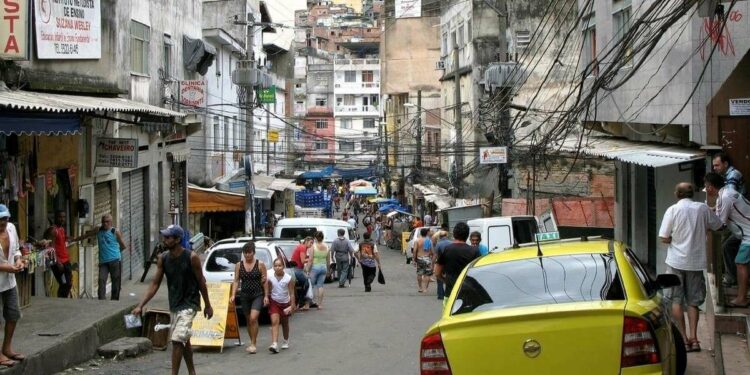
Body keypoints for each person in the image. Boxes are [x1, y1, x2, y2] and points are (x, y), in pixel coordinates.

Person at [132, 224, 213, 375]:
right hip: (175, 304)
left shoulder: (192, 257)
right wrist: (140, 305)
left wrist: (208, 305)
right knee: (184, 339)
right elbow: (155, 284)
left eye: (168, 237)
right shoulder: (163, 258)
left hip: (190, 303)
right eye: (165, 236)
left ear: (177, 239)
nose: (165, 239)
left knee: (177, 340)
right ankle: (192, 371)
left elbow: (201, 281)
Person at [658, 182, 723, 353]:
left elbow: (664, 238)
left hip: (675, 262)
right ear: (692, 193)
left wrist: (675, 240)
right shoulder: (702, 208)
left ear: (677, 194)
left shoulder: (672, 210)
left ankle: (684, 340)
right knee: (694, 301)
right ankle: (694, 339)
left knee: (676, 300)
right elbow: (718, 225)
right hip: (695, 262)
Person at [705, 172, 750, 308]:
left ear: (711, 187)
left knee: (740, 263)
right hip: (742, 233)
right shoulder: (728, 192)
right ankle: (736, 279)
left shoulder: (724, 197)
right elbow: (721, 211)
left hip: (748, 234)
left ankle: (742, 298)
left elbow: (720, 224)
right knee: (727, 247)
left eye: (706, 186)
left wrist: (704, 226)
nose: (706, 189)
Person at [74, 214, 127, 300]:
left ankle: (114, 301)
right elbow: (86, 235)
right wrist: (74, 239)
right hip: (103, 262)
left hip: (115, 261)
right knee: (101, 280)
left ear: (111, 222)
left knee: (116, 282)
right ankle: (101, 301)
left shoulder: (115, 232)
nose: (105, 224)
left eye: (107, 222)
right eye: (103, 222)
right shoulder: (98, 230)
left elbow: (123, 246)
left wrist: (116, 253)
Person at [713, 152, 746, 286]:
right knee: (727, 247)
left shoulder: (733, 175)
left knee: (727, 246)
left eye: (717, 165)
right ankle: (731, 277)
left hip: (738, 220)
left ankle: (732, 278)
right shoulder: (726, 176)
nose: (715, 168)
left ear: (725, 164)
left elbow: (729, 198)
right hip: (736, 219)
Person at [230, 241, 269, 354]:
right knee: (248, 320)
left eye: (250, 253)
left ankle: (253, 344)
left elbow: (265, 281)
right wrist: (233, 294)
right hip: (245, 295)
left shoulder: (260, 264)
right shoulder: (239, 265)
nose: (247, 255)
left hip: (257, 294)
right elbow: (236, 281)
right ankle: (252, 341)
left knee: (253, 318)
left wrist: (266, 296)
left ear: (254, 253)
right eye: (245, 253)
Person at [0, 205, 26, 367]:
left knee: (13, 314)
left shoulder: (11, 229)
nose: (3, 224)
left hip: (9, 281)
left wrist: (18, 260)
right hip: (5, 274)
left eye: (5, 220)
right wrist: (8, 267)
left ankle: (7, 348)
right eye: (0, 222)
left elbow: (16, 249)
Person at [434, 222, 480, 299]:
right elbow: (479, 274)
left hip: (451, 293)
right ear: (467, 235)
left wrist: (446, 281)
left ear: (454, 234)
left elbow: (437, 272)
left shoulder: (447, 249)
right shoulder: (475, 251)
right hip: (469, 293)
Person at [267, 258, 295, 353]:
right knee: (275, 322)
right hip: (274, 302)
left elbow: (291, 293)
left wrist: (292, 305)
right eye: (275, 266)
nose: (278, 267)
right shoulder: (270, 277)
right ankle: (274, 343)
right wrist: (266, 297)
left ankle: (286, 340)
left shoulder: (288, 278)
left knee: (285, 323)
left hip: (285, 303)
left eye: (280, 265)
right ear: (273, 267)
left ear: (283, 267)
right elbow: (268, 289)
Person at [44, 211, 73, 298]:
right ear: (56, 218)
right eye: (60, 217)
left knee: (68, 283)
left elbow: (61, 242)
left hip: (66, 260)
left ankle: (62, 300)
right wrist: (57, 262)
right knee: (64, 283)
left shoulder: (62, 229)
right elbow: (50, 247)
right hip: (58, 262)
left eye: (64, 217)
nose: (62, 219)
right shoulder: (53, 230)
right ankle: (61, 301)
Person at [307, 231, 331, 309]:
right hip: (323, 267)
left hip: (315, 267)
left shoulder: (313, 247)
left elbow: (310, 260)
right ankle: (320, 304)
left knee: (311, 286)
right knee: (320, 286)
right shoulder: (327, 246)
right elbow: (328, 260)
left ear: (315, 238)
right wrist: (328, 270)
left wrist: (307, 269)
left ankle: (307, 304)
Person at [290, 237, 312, 310]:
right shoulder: (302, 247)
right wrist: (310, 259)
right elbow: (302, 261)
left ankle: (301, 301)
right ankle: (301, 302)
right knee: (306, 283)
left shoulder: (302, 247)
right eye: (311, 242)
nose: (311, 244)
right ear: (306, 241)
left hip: (297, 269)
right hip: (297, 269)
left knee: (304, 284)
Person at [431, 228, 451, 300]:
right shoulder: (451, 243)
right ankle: (449, 293)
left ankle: (440, 294)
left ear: (440, 236)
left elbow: (435, 255)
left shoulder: (439, 244)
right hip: (449, 263)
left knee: (439, 279)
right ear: (446, 235)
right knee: (449, 278)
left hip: (440, 263)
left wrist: (432, 265)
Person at [413, 227, 434, 293]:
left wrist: (414, 259)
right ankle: (425, 289)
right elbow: (432, 251)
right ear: (427, 233)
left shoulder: (417, 240)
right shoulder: (429, 241)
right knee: (427, 274)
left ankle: (420, 288)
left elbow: (414, 250)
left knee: (419, 273)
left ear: (420, 233)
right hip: (427, 258)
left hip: (419, 258)